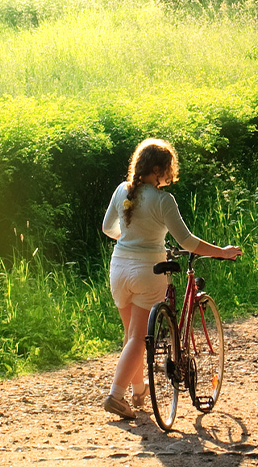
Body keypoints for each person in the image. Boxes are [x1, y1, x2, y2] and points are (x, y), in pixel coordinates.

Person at [100, 138, 242, 420]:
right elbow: (188, 242)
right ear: (155, 169)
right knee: (138, 339)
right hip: (147, 272)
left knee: (132, 338)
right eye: (167, 170)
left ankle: (138, 392)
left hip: (119, 269)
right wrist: (222, 253)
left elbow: (107, 228)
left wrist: (131, 240)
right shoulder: (164, 200)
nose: (169, 176)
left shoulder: (122, 191)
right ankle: (115, 395)